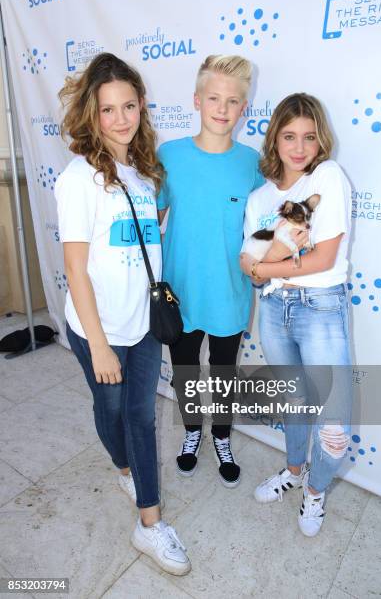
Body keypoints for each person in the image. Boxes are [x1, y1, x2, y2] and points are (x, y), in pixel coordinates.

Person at [55, 53, 190, 575]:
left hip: (144, 323)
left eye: (128, 106)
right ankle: (123, 466)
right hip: (99, 327)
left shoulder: (145, 173)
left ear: (141, 107)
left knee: (139, 417)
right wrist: (99, 343)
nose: (120, 119)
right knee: (110, 412)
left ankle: (150, 525)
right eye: (108, 109)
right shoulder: (78, 177)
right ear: (92, 113)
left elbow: (143, 245)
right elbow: (77, 268)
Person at [240, 93, 352, 537]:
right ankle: (293, 471)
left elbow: (323, 258)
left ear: (320, 139)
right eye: (289, 136)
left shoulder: (327, 176)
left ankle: (316, 492)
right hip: (272, 309)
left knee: (334, 426)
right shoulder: (260, 196)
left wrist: (267, 266)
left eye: (308, 136)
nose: (299, 147)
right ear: (275, 139)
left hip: (319, 307)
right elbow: (245, 268)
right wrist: (262, 268)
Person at [157, 55, 264, 487]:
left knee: (222, 372)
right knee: (184, 370)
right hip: (178, 293)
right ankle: (191, 433)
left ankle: (221, 436)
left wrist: (263, 268)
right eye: (214, 98)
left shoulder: (251, 163)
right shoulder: (170, 155)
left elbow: (260, 231)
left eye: (233, 101)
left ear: (243, 109)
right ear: (197, 101)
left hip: (229, 293)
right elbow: (153, 219)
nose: (222, 108)